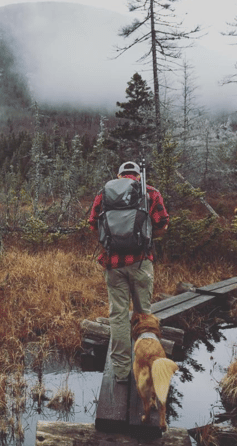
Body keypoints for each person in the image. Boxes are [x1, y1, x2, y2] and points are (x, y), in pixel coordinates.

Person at [88, 161, 169, 384]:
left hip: (113, 264)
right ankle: (148, 364)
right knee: (144, 314)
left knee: (119, 316)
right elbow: (163, 224)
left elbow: (93, 224)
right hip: (142, 262)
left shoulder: (104, 193)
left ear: (119, 175)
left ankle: (122, 372)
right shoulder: (149, 192)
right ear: (137, 175)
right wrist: (146, 236)